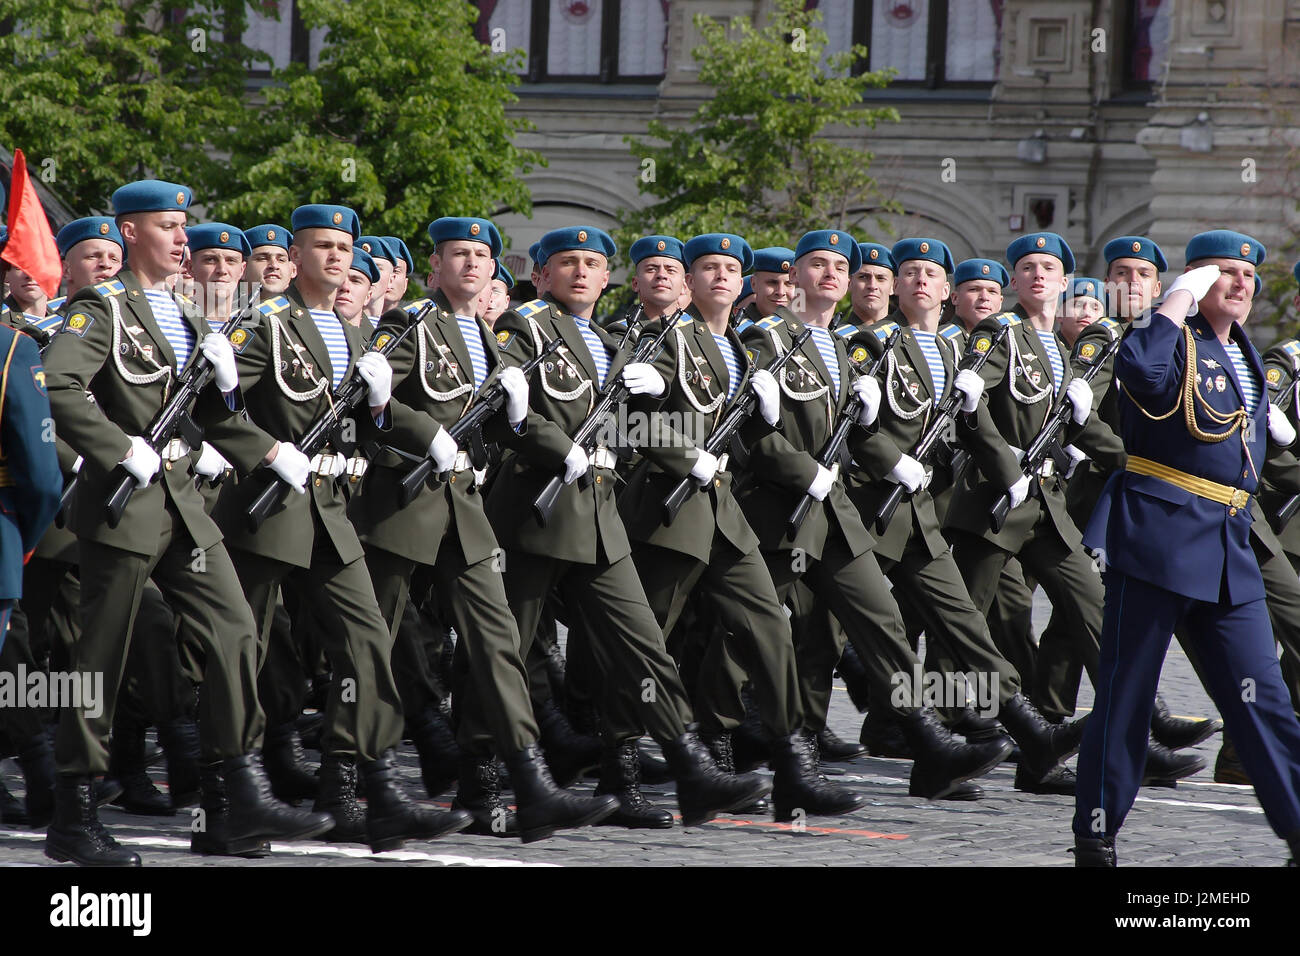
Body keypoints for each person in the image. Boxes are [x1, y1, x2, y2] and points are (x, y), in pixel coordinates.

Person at [42, 179, 333, 865]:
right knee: (100, 661)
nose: (183, 238)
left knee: (234, 633)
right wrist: (115, 448)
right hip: (126, 509)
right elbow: (58, 384)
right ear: (130, 233)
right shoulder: (102, 308)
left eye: (184, 224)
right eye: (168, 226)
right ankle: (73, 816)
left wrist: (257, 436)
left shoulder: (186, 315)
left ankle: (237, 793)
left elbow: (217, 418)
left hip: (184, 508)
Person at [486, 225, 773, 826]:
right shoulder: (527, 325)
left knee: (642, 643)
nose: (583, 272)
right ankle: (484, 781)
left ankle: (683, 765)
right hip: (536, 506)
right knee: (504, 647)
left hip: (598, 508)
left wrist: (656, 407)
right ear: (541, 274)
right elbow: (505, 400)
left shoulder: (608, 341)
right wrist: (550, 441)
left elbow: (626, 427)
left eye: (594, 263)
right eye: (568, 263)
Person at [208, 203, 472, 852]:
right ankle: (224, 806)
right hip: (265, 514)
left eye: (343, 247)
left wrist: (392, 413)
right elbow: (214, 412)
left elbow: (369, 423)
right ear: (293, 258)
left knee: (366, 647)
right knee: (243, 654)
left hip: (331, 514)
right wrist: (268, 452)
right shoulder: (265, 325)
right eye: (320, 246)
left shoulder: (357, 337)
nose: (334, 257)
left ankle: (367, 792)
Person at [352, 216, 618, 841]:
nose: (472, 264)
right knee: (371, 643)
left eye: (482, 255)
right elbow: (376, 404)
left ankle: (530, 784)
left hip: (464, 508)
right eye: (457, 255)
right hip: (404, 504)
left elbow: (499, 423)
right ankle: (359, 783)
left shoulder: (490, 338)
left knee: (499, 642)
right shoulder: (410, 323)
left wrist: (523, 421)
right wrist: (427, 434)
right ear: (434, 268)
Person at [736, 229, 1012, 799]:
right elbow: (754, 433)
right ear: (796, 275)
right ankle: (711, 742)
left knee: (882, 623)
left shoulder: (839, 347)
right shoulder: (769, 338)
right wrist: (798, 465)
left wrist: (864, 429)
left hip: (832, 512)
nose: (833, 274)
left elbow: (853, 434)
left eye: (842, 264)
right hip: (777, 511)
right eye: (819, 264)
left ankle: (927, 740)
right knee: (745, 637)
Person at [618, 232, 864, 821]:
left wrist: (766, 418)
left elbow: (746, 434)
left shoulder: (740, 348)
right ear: (685, 280)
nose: (721, 277)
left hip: (724, 513)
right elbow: (623, 422)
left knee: (770, 632)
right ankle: (619, 771)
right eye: (707, 268)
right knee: (643, 644)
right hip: (667, 512)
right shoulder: (661, 339)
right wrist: (684, 454)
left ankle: (792, 770)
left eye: (732, 267)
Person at [1072, 230, 1300, 867]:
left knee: (1262, 693)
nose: (1243, 284)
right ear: (1196, 282)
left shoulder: (1246, 354)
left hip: (1228, 545)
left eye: (1250, 276)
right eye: (1226, 273)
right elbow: (1140, 375)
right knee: (1128, 692)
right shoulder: (1170, 338)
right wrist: (1174, 301)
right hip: (1161, 537)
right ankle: (1096, 833)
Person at [848, 242, 896, 327]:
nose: (872, 286)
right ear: (849, 282)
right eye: (863, 277)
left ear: (893, 286)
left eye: (880, 278)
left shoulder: (906, 338)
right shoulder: (835, 338)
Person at [243, 225, 296, 299]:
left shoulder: (311, 309)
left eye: (281, 260)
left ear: (293, 270)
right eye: (262, 258)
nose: (274, 265)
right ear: (243, 269)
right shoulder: (226, 310)